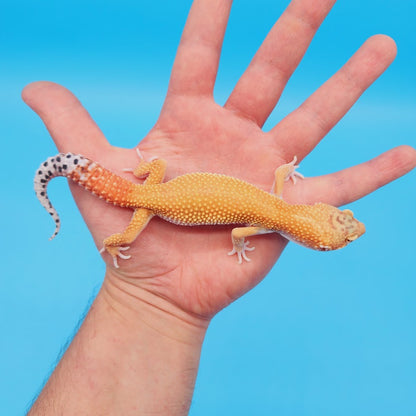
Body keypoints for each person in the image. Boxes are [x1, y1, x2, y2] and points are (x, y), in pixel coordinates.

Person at [25, 0, 416, 414]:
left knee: (125, 182)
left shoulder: (275, 201)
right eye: (338, 228)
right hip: (150, 205)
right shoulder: (264, 224)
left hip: (154, 183)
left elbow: (279, 178)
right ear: (309, 237)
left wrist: (286, 169)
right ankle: (114, 236)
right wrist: (237, 249)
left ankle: (85, 185)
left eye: (338, 225)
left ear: (315, 214)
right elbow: (237, 233)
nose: (343, 223)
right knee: (125, 232)